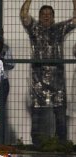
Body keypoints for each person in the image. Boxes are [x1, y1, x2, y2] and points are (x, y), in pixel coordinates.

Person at [20, 0, 76, 147]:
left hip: (58, 82)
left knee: (60, 116)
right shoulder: (34, 29)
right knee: (37, 116)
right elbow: (24, 15)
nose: (46, 16)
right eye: (43, 14)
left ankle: (61, 145)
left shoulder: (60, 29)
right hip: (38, 82)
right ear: (39, 17)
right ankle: (37, 145)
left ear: (53, 17)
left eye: (49, 14)